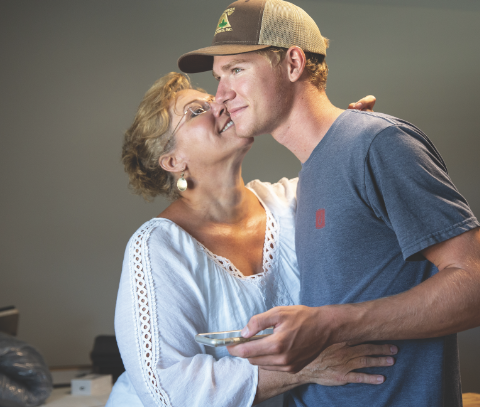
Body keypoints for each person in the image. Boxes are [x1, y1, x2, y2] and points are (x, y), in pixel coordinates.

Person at [177, 0, 480, 406]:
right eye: (217, 77)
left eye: (236, 70)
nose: (220, 95)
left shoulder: (378, 144)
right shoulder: (317, 169)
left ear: (293, 63)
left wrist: (328, 324)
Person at [106, 72, 389, 407]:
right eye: (197, 111)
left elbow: (347, 183)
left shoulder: (291, 202)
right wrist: (302, 369)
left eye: (215, 99)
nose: (221, 104)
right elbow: (168, 388)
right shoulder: (157, 247)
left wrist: (352, 141)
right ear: (173, 161)